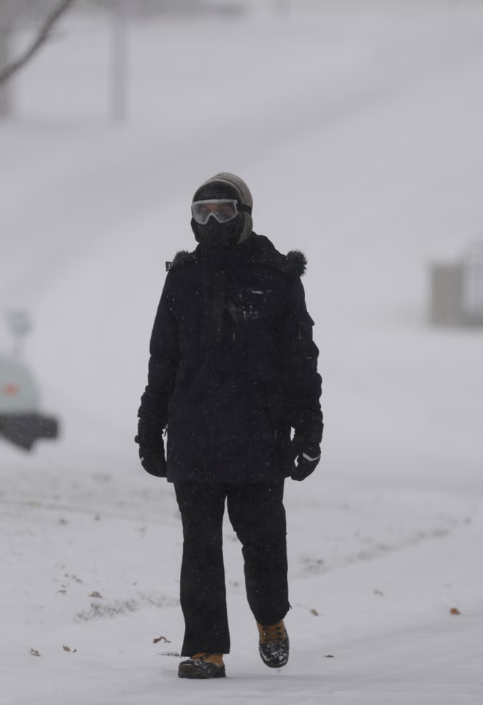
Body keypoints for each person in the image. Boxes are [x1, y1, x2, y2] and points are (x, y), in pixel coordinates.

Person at [135, 172, 323, 680]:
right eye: (202, 213)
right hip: (193, 434)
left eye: (223, 210)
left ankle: (270, 618)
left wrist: (308, 430)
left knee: (262, 541)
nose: (213, 221)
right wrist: (149, 427)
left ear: (245, 215)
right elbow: (163, 360)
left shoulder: (277, 277)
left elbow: (300, 361)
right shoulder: (183, 276)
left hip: (258, 437)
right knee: (200, 546)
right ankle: (205, 649)